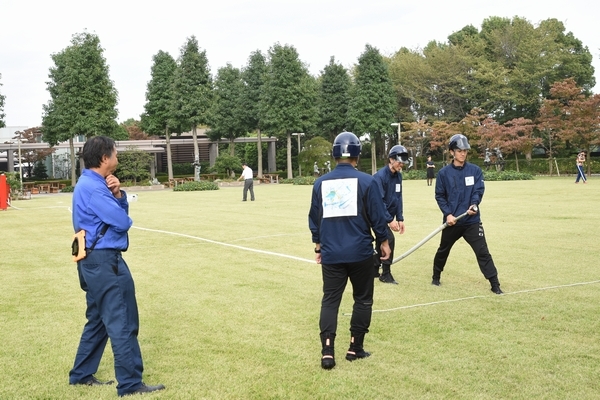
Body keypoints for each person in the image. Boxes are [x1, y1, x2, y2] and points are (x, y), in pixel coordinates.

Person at [69, 136, 165, 396]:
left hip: (91, 260)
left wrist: (118, 194)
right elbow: (122, 222)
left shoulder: (89, 184)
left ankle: (81, 374)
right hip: (105, 262)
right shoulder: (94, 187)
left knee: (98, 319)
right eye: (115, 153)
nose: (117, 158)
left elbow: (115, 215)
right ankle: (131, 383)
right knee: (122, 321)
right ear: (104, 158)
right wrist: (117, 199)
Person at [308, 131, 391, 370]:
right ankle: (355, 347)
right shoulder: (368, 181)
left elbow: (315, 218)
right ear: (357, 155)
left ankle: (327, 352)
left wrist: (317, 245)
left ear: (335, 154)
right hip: (360, 253)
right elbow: (377, 217)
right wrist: (383, 241)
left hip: (332, 253)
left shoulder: (320, 183)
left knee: (330, 301)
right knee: (363, 300)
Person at [431, 134, 503, 295]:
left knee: (482, 251)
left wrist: (474, 204)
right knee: (443, 249)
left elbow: (478, 191)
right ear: (452, 152)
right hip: (453, 221)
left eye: (465, 151)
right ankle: (436, 276)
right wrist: (448, 214)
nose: (463, 153)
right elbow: (440, 196)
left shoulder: (475, 171)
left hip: (471, 221)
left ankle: (495, 284)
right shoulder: (443, 174)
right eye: (459, 150)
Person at [372, 145, 409, 285]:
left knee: (380, 241)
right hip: (376, 215)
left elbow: (398, 198)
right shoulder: (379, 177)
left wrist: (399, 218)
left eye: (403, 162)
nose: (402, 164)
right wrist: (389, 220)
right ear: (391, 159)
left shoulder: (398, 176)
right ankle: (385, 274)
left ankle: (374, 269)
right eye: (399, 161)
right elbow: (379, 201)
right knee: (388, 239)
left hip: (387, 215)